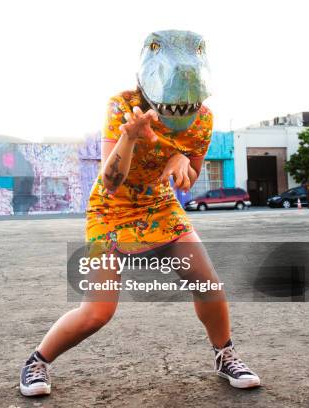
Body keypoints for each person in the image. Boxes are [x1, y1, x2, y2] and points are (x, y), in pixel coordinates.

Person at [19, 30, 260, 397]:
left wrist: (182, 159)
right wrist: (129, 137)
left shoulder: (203, 119)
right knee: (97, 312)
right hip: (112, 210)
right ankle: (37, 361)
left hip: (159, 206)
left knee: (208, 284)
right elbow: (111, 181)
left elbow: (188, 178)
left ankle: (225, 355)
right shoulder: (122, 105)